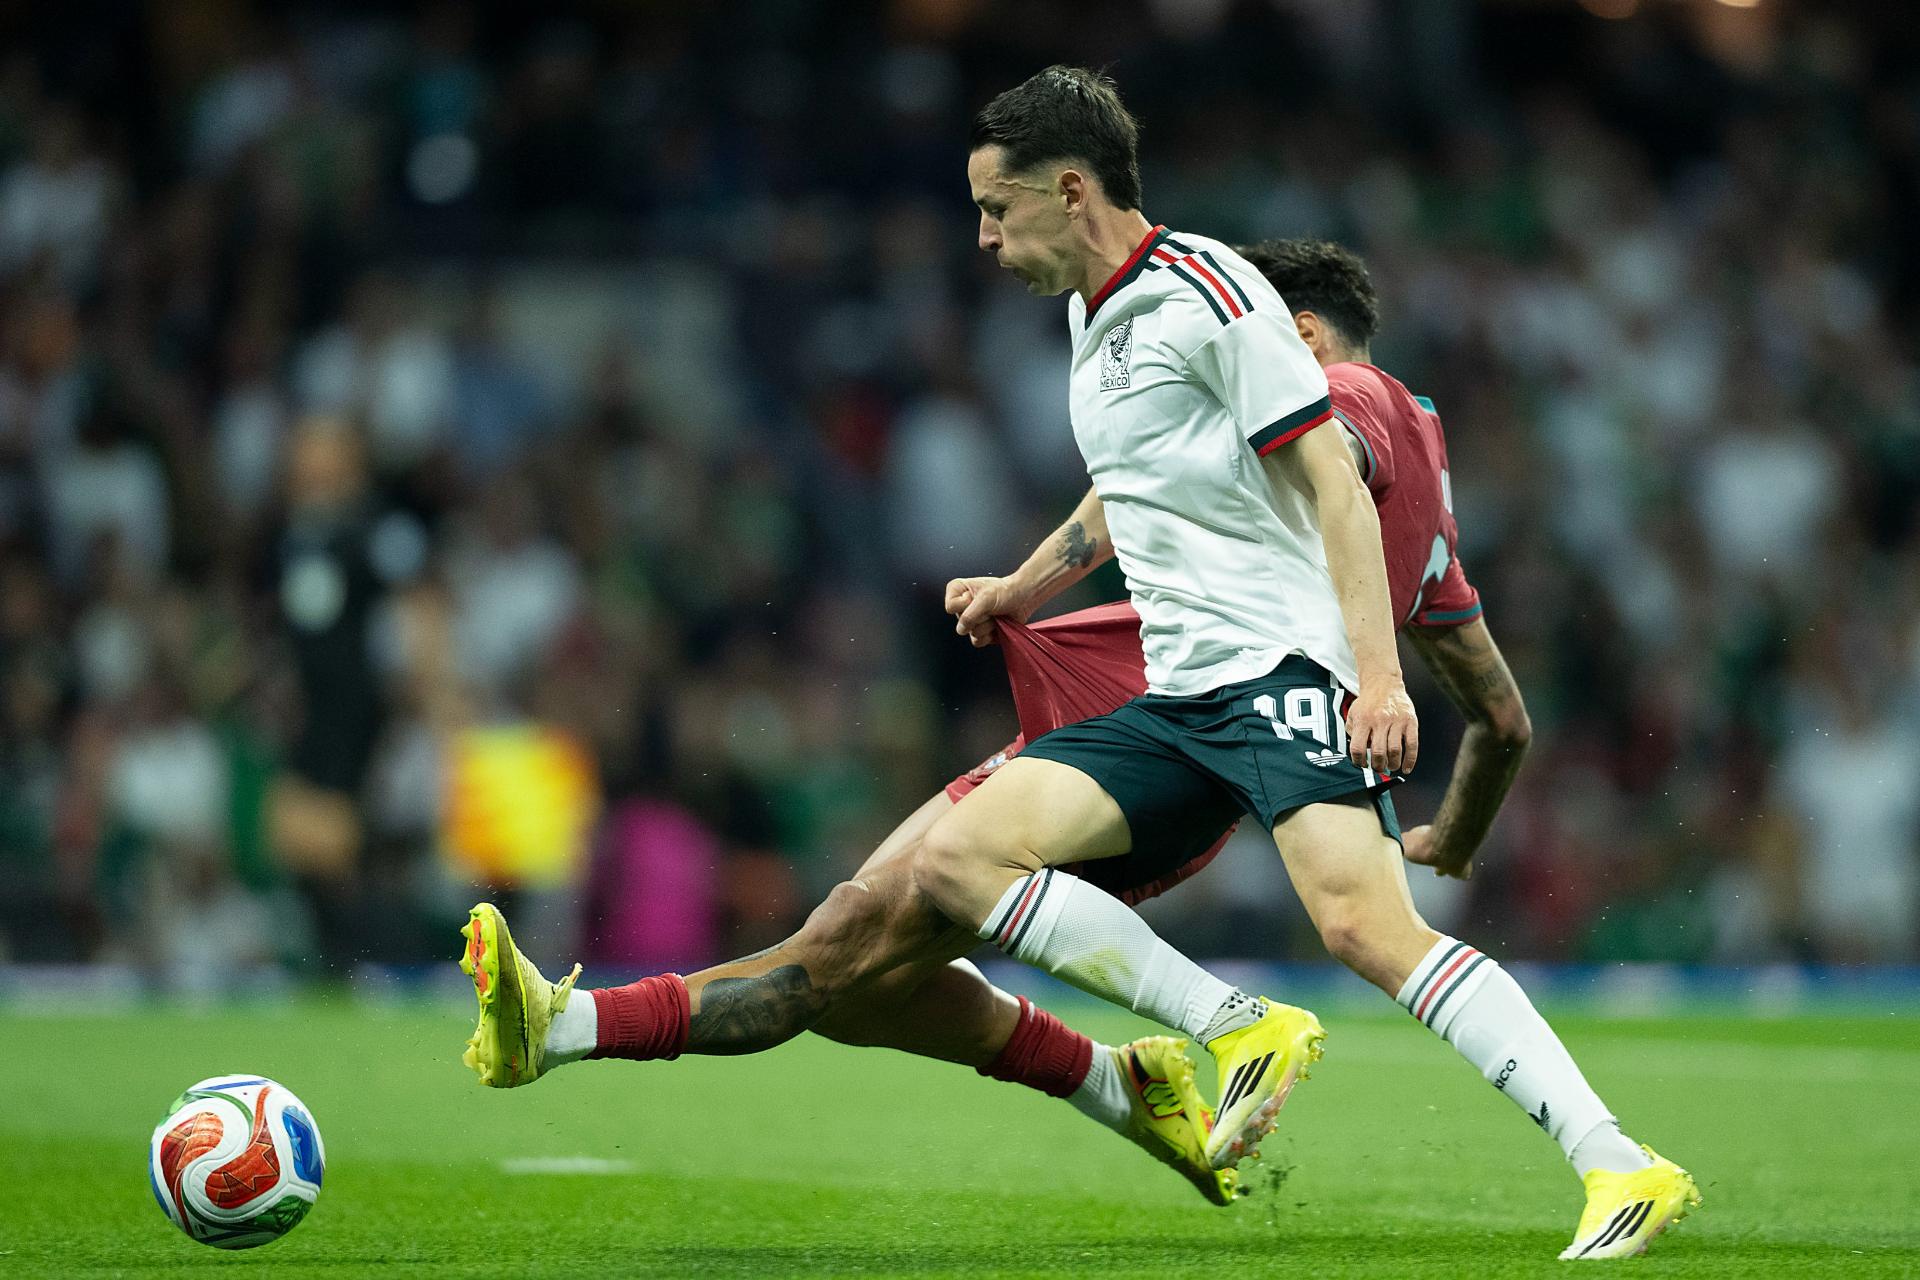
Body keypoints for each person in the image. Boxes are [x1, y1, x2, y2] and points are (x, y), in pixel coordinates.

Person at [462, 67, 1697, 1257]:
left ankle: (1616, 1157)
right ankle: (1218, 1032)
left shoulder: (1215, 289)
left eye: (994, 208)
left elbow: (1332, 471)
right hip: (1173, 699)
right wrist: (1022, 584)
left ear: (1069, 190)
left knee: (1366, 926)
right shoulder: (1088, 317)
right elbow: (1131, 487)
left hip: (1278, 676)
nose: (983, 239)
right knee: (941, 871)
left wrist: (1376, 675)